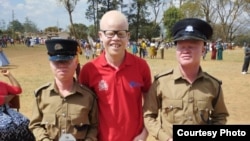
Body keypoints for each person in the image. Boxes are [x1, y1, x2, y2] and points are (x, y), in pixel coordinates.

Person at [143, 18, 229, 141]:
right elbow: (148, 115)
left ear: (203, 50)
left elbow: (220, 116)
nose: (185, 50)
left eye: (192, 45)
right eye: (181, 45)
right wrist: (166, 138)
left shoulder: (213, 85)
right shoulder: (161, 82)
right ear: (176, 50)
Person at [79, 10, 152, 141]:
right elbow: (82, 110)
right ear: (100, 35)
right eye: (110, 33)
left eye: (121, 33)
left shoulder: (141, 66)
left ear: (128, 36)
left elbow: (150, 105)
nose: (116, 38)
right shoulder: (89, 70)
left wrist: (144, 134)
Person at [29, 39, 98, 141]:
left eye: (66, 61)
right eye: (56, 61)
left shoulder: (88, 97)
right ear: (50, 63)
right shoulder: (42, 95)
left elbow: (94, 126)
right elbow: (35, 125)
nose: (61, 65)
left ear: (75, 63)